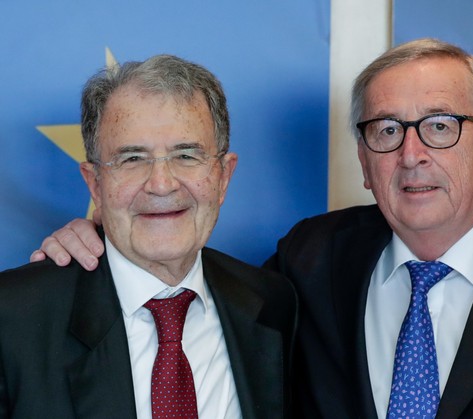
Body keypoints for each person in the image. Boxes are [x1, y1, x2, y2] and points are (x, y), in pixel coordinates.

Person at [32, 39, 473, 418]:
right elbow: (170, 271)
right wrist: (89, 242)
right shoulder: (311, 261)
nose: (412, 154)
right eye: (386, 130)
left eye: (440, 126)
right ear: (365, 162)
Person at [2, 54, 297, 419]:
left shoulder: (275, 306)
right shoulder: (12, 320)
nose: (161, 184)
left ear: (223, 177)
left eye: (186, 155)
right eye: (132, 159)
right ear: (95, 183)